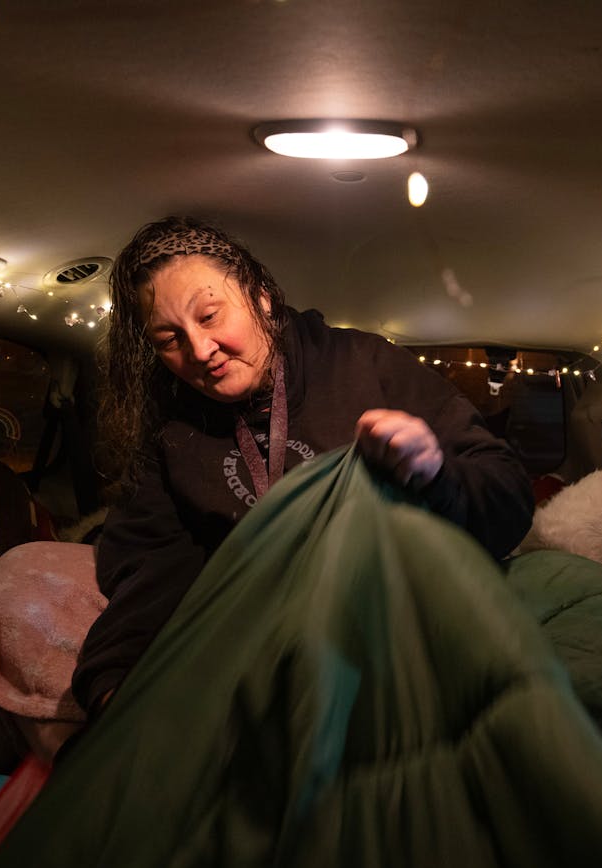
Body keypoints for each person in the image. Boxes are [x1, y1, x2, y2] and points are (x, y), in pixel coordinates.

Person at [70, 216, 534, 717]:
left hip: (413, 626)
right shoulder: (171, 434)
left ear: (261, 295)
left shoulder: (366, 363)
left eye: (209, 316)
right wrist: (111, 679)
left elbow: (508, 497)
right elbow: (152, 566)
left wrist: (436, 474)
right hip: (277, 657)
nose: (199, 351)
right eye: (169, 340)